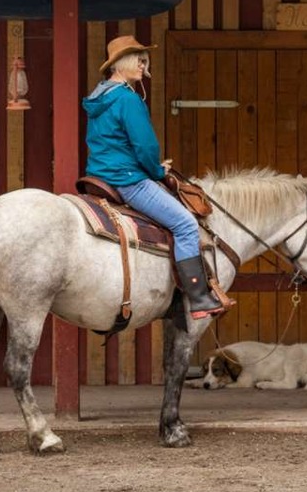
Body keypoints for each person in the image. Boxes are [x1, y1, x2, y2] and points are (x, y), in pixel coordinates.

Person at [83, 35, 225, 320]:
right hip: (128, 180)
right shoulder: (128, 99)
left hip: (101, 175)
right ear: (119, 64)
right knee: (186, 224)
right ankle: (198, 299)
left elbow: (112, 142)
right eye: (137, 58)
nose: (143, 63)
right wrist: (158, 170)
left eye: (144, 58)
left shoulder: (99, 97)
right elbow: (145, 146)